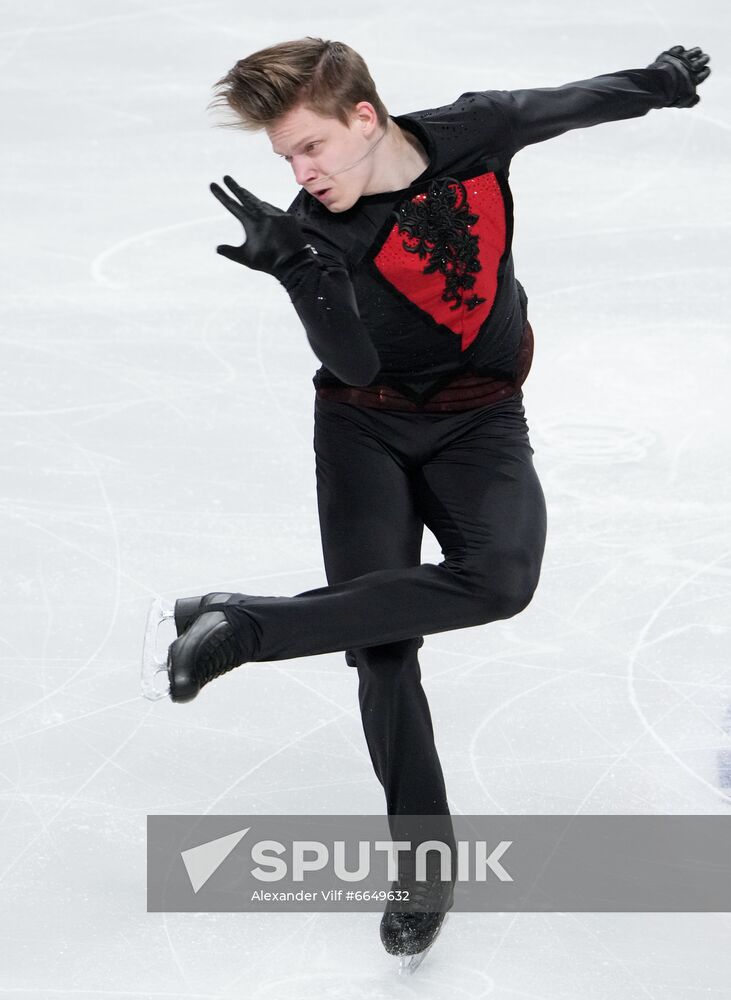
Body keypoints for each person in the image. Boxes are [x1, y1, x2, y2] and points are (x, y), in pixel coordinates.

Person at [145, 38, 710, 968]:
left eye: (312, 146)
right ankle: (421, 862)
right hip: (364, 431)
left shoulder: (470, 133)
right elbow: (355, 364)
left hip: (478, 421)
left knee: (500, 581)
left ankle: (245, 621)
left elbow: (565, 100)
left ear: (364, 116)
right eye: (286, 157)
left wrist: (658, 85)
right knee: (383, 652)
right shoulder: (312, 228)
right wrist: (302, 274)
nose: (302, 171)